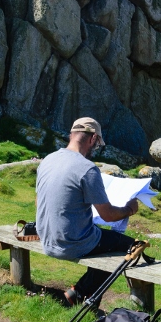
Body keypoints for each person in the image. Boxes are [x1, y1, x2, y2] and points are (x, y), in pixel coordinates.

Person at [35, 116, 139, 306]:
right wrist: (128, 210)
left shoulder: (48, 160)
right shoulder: (87, 168)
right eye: (97, 145)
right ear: (93, 139)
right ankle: (81, 295)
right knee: (132, 246)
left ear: (72, 135)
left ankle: (79, 294)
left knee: (107, 241)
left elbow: (39, 203)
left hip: (47, 238)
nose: (95, 150)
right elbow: (108, 215)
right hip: (71, 243)